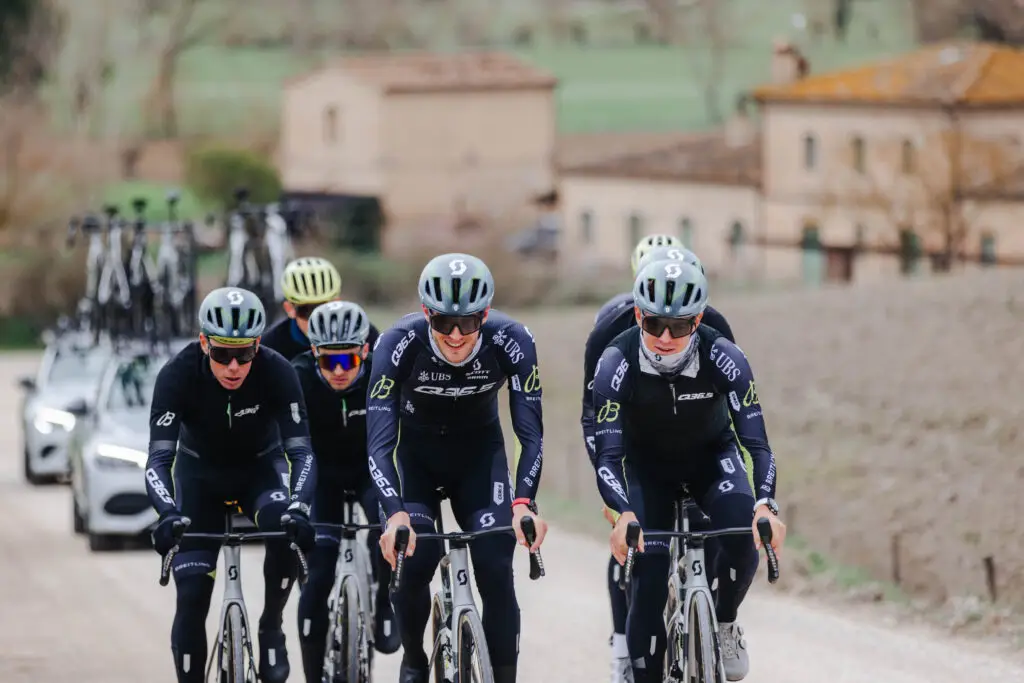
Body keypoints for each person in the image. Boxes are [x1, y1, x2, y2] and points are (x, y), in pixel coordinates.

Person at [591, 260, 786, 683]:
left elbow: (757, 444)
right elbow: (608, 456)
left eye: (678, 327)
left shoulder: (726, 357)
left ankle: (726, 621)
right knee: (648, 577)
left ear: (697, 320)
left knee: (740, 537)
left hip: (710, 458)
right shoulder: (614, 362)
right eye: (654, 323)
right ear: (638, 314)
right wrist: (622, 512)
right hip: (646, 469)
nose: (664, 338)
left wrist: (766, 504)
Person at [367, 253, 549, 683]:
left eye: (467, 323)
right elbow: (378, 444)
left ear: (484, 315)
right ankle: (413, 660)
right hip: (417, 462)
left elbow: (531, 435)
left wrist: (524, 503)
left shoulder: (512, 340)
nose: (454, 334)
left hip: (479, 459)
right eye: (442, 322)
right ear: (426, 313)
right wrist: (393, 513)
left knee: (494, 565)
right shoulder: (397, 344)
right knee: (415, 556)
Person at [145, 287, 318, 683]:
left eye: (245, 353)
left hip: (258, 472)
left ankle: (271, 625)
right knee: (191, 598)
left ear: (259, 344)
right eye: (223, 353)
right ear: (204, 342)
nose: (235, 365)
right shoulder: (177, 374)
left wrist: (300, 507)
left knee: (285, 529)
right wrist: (167, 513)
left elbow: (302, 454)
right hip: (199, 478)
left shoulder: (277, 371)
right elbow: (158, 460)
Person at [582, 238, 735, 683]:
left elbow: (724, 401)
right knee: (637, 554)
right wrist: (611, 489)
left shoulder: (715, 326)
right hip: (633, 448)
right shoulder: (611, 326)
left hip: (696, 448)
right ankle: (623, 646)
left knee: (716, 533)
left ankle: (710, 627)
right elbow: (592, 413)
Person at [291, 300, 400, 683]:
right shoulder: (297, 378)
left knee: (389, 534)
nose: (339, 372)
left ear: (365, 352)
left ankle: (385, 603)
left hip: (369, 471)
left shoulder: (382, 376)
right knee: (319, 575)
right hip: (323, 478)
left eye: (348, 362)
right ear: (313, 354)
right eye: (328, 362)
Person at [261, 256, 380, 359]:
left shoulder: (365, 334)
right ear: (289, 309)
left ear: (337, 303)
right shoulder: (271, 346)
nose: (316, 320)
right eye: (306, 310)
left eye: (324, 309)